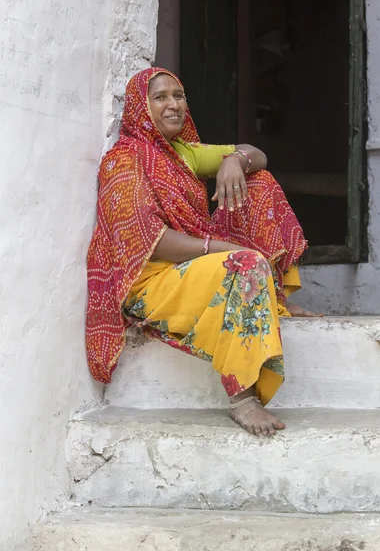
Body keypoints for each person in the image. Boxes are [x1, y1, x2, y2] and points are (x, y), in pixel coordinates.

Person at [86, 67, 311, 437]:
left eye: (179, 96)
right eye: (160, 98)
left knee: (260, 184)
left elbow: (259, 155)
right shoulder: (124, 161)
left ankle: (278, 294)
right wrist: (222, 247)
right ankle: (242, 397)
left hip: (193, 268)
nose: (174, 105)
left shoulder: (184, 153)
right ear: (141, 108)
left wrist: (235, 160)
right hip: (152, 283)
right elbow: (151, 240)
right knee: (244, 263)